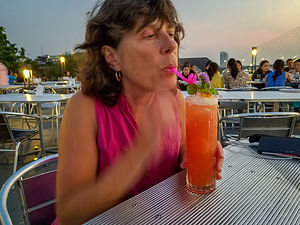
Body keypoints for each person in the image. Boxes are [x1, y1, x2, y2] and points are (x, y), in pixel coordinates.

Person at [54, 1, 224, 224]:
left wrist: (200, 150)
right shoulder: (85, 106)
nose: (171, 45)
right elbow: (69, 213)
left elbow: (186, 154)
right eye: (150, 35)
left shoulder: (174, 97)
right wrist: (142, 149)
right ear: (112, 57)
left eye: (171, 33)